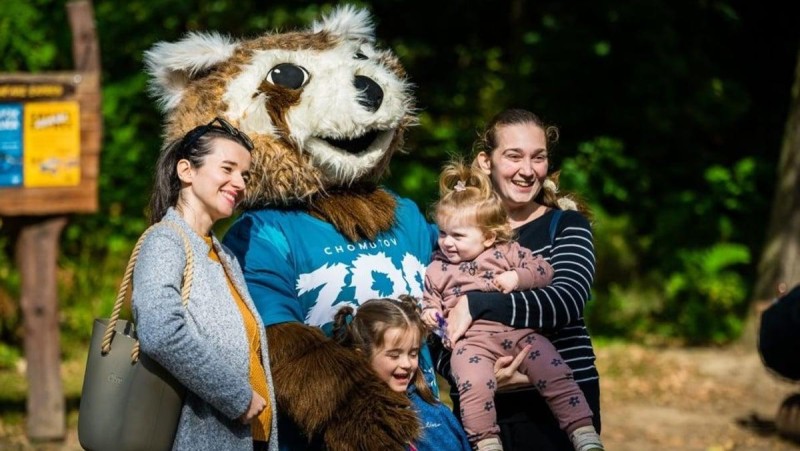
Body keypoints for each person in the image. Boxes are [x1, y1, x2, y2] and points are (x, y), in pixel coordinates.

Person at [441, 108, 602, 451]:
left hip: (561, 408)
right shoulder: (457, 234)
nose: (527, 171)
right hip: (483, 411)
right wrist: (470, 371)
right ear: (486, 162)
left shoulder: (567, 226)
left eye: (538, 158)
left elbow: (566, 300)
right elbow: (437, 319)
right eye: (514, 156)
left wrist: (477, 303)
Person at [132, 116, 279, 451]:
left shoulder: (222, 254)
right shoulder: (166, 241)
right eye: (227, 169)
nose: (239, 183)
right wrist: (237, 397)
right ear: (186, 171)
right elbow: (160, 330)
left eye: (245, 175)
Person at [332, 295, 471, 451]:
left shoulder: (436, 413)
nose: (406, 364)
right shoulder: (348, 424)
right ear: (362, 356)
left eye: (413, 353)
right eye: (394, 355)